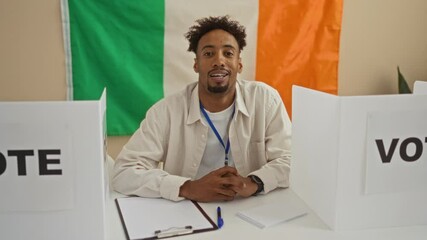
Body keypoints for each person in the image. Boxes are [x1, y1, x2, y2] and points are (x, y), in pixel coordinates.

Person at [112, 15, 291, 202]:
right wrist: (188, 187)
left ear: (239, 64)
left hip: (251, 207)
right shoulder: (166, 111)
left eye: (228, 53)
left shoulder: (265, 99)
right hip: (187, 210)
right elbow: (124, 172)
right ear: (196, 64)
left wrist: (254, 182)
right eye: (208, 53)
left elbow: (291, 159)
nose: (219, 61)